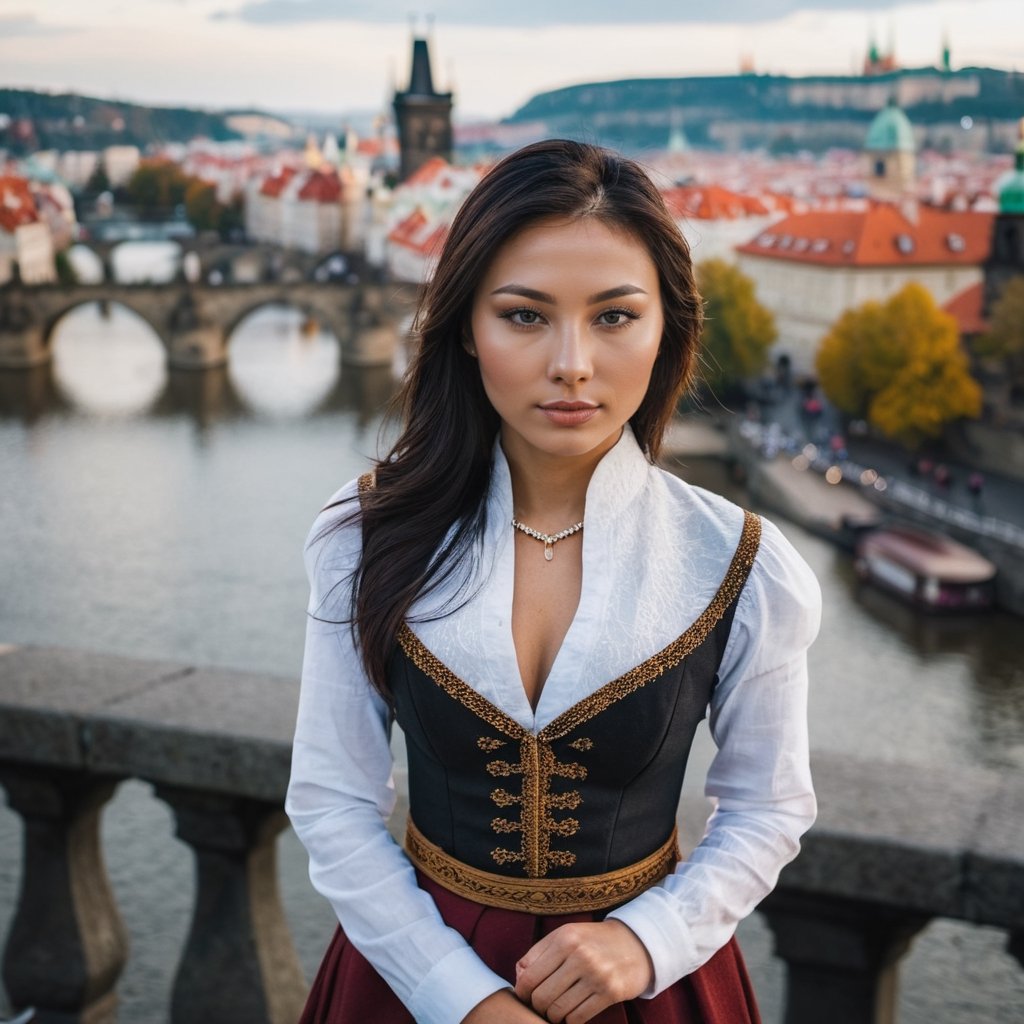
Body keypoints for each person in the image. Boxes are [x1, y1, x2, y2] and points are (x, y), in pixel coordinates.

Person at [286, 139, 821, 1024]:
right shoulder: (364, 533)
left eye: (614, 317)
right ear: (465, 327)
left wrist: (648, 938)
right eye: (526, 316)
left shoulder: (743, 562)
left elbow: (769, 807)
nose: (572, 362)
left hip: (638, 986)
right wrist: (456, 995)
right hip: (416, 975)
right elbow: (332, 800)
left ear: (667, 329)